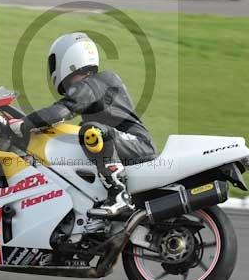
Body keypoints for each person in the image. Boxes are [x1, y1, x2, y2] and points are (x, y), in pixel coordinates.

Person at [12, 32, 156, 217]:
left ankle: (119, 195)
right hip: (125, 144)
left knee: (91, 133)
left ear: (68, 59)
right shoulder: (96, 85)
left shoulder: (95, 83)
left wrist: (24, 124)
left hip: (138, 143)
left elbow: (60, 111)